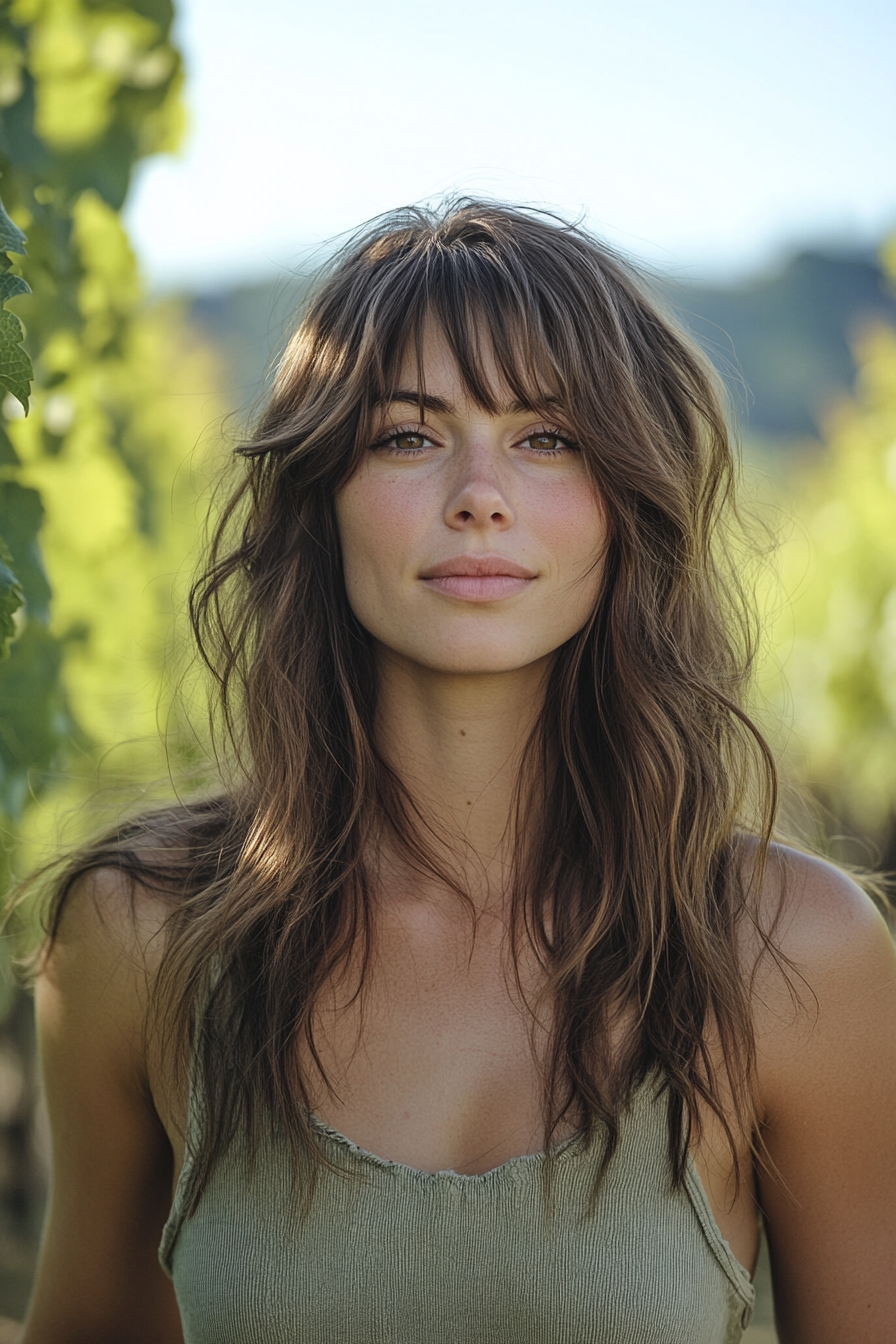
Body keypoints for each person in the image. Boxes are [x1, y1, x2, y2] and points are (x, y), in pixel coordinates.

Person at [19, 200, 896, 1344]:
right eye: (405, 436)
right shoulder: (140, 931)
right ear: (321, 498)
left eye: (547, 439)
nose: (478, 495)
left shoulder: (790, 950)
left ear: (623, 504)